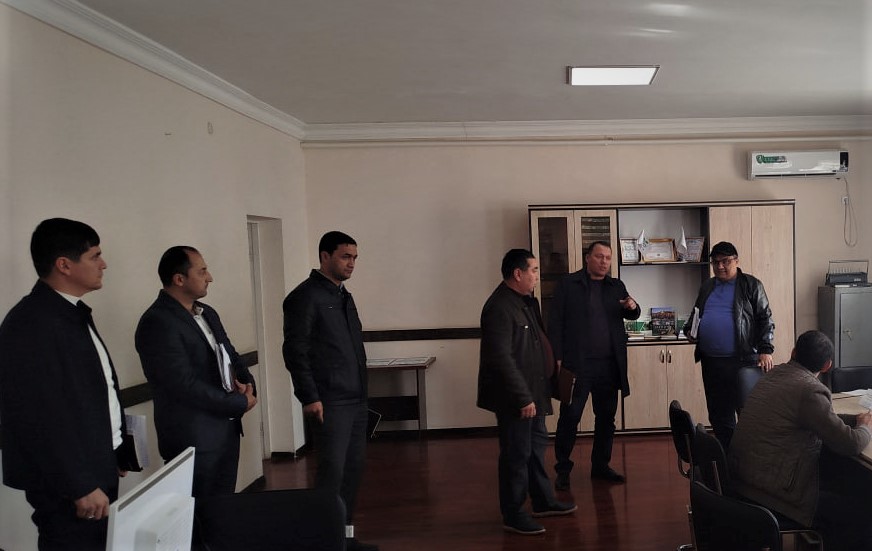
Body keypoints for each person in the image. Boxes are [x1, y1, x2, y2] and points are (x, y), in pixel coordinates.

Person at [0, 218, 128, 550]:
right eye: (95, 256)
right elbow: (38, 417)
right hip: (68, 483)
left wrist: (116, 448)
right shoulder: (31, 324)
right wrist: (79, 484)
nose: (103, 264)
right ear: (64, 265)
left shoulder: (69, 312)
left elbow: (95, 391)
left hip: (94, 464)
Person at [728, 330, 872, 550]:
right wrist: (865, 428)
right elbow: (851, 444)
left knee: (844, 476)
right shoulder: (810, 390)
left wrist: (855, 420)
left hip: (745, 479)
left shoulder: (774, 375)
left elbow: (818, 418)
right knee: (860, 514)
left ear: (793, 352)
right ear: (827, 366)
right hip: (772, 494)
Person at [135, 246, 257, 499]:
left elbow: (229, 354)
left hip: (226, 432)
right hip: (193, 439)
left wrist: (248, 384)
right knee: (198, 515)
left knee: (222, 510)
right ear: (179, 279)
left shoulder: (207, 312)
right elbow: (182, 384)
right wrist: (237, 403)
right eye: (201, 271)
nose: (209, 277)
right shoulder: (157, 322)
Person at [283, 231, 377, 551]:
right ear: (325, 256)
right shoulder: (305, 296)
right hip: (330, 401)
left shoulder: (343, 295)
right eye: (345, 256)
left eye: (355, 258)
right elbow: (295, 351)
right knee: (331, 475)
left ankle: (344, 538)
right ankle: (323, 541)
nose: (351, 263)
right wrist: (309, 396)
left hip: (356, 399)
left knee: (352, 472)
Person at [477, 249, 577, 536]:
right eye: (533, 270)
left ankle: (543, 501)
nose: (537, 276)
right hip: (517, 398)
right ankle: (514, 514)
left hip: (536, 392)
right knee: (516, 455)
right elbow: (500, 358)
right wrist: (522, 397)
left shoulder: (524, 302)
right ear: (517, 273)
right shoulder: (499, 307)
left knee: (534, 451)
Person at [548, 241, 640, 489]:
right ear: (587, 257)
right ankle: (563, 469)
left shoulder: (616, 285)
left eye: (608, 258)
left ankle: (601, 466)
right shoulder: (569, 284)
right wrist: (557, 356)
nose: (604, 261)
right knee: (570, 417)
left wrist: (633, 306)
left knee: (606, 419)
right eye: (599, 256)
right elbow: (555, 322)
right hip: (576, 365)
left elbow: (631, 312)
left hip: (609, 366)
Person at [686, 241, 774, 450]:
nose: (720, 266)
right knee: (718, 413)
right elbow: (696, 315)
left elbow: (765, 318)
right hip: (711, 362)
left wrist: (766, 349)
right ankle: (727, 457)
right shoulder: (707, 286)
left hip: (743, 361)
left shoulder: (751, 285)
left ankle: (750, 457)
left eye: (725, 261)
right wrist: (690, 330)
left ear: (736, 261)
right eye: (715, 262)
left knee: (748, 412)